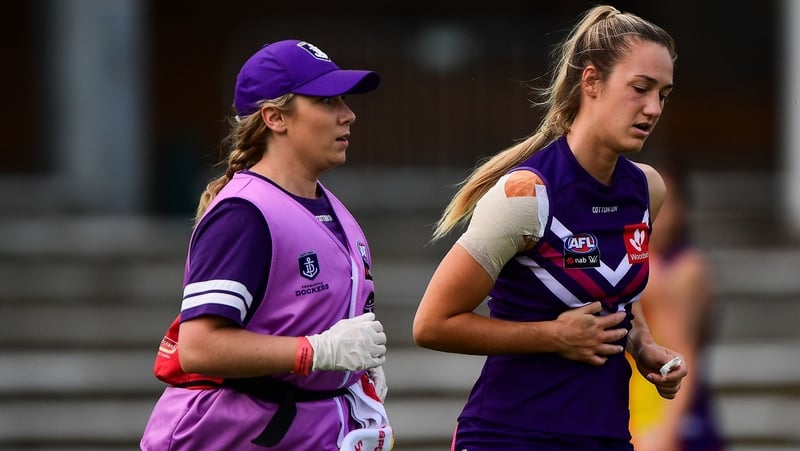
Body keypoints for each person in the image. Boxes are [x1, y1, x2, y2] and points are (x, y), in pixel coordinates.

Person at [412, 5, 687, 450]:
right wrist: (552, 336)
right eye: (640, 88)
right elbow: (432, 324)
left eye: (664, 94)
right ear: (592, 81)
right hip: (509, 435)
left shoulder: (648, 189)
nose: (653, 108)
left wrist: (644, 349)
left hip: (608, 435)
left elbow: (621, 307)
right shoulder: (527, 193)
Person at [140, 39, 393, 451]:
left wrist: (352, 373)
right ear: (276, 117)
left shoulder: (331, 206)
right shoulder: (244, 213)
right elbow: (199, 348)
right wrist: (316, 352)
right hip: (238, 435)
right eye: (327, 101)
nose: (348, 115)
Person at [628, 168, 725, 451]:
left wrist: (665, 432)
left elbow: (684, 353)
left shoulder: (683, 270)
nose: (654, 211)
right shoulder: (638, 263)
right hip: (636, 405)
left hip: (667, 408)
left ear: (682, 210)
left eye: (665, 203)